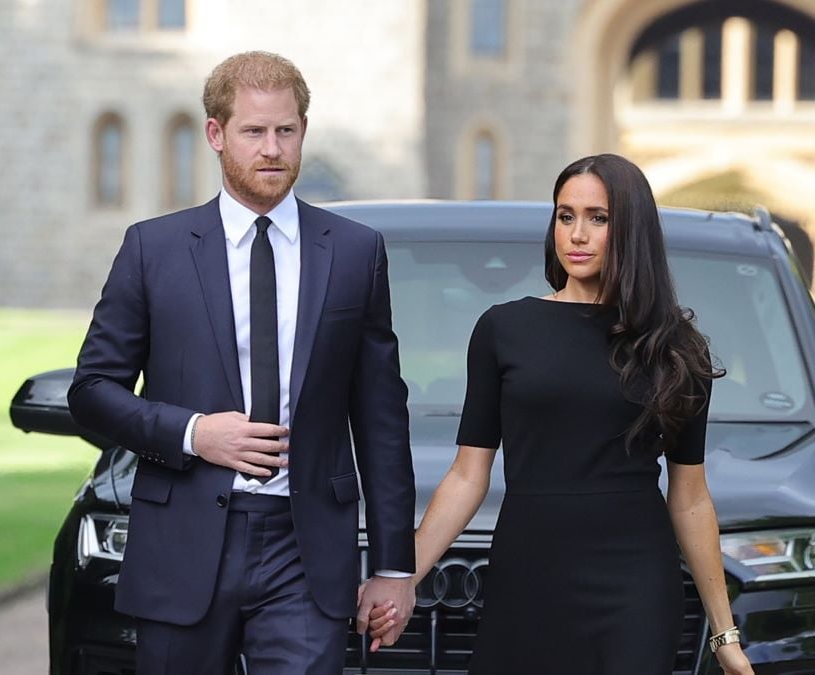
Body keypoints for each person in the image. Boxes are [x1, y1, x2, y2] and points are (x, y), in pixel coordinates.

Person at [68, 50, 417, 674]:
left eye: (286, 129)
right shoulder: (154, 250)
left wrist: (393, 566)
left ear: (303, 131)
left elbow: (381, 418)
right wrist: (194, 433)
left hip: (304, 549)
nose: (272, 147)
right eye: (253, 131)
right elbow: (92, 390)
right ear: (215, 133)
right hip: (182, 542)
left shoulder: (356, 252)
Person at [367, 153, 753, 674]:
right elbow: (467, 475)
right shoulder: (505, 330)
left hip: (634, 585)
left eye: (598, 218)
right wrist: (403, 577)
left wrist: (724, 635)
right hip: (528, 574)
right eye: (565, 215)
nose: (577, 233)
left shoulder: (675, 347)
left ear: (631, 229)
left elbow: (689, 498)